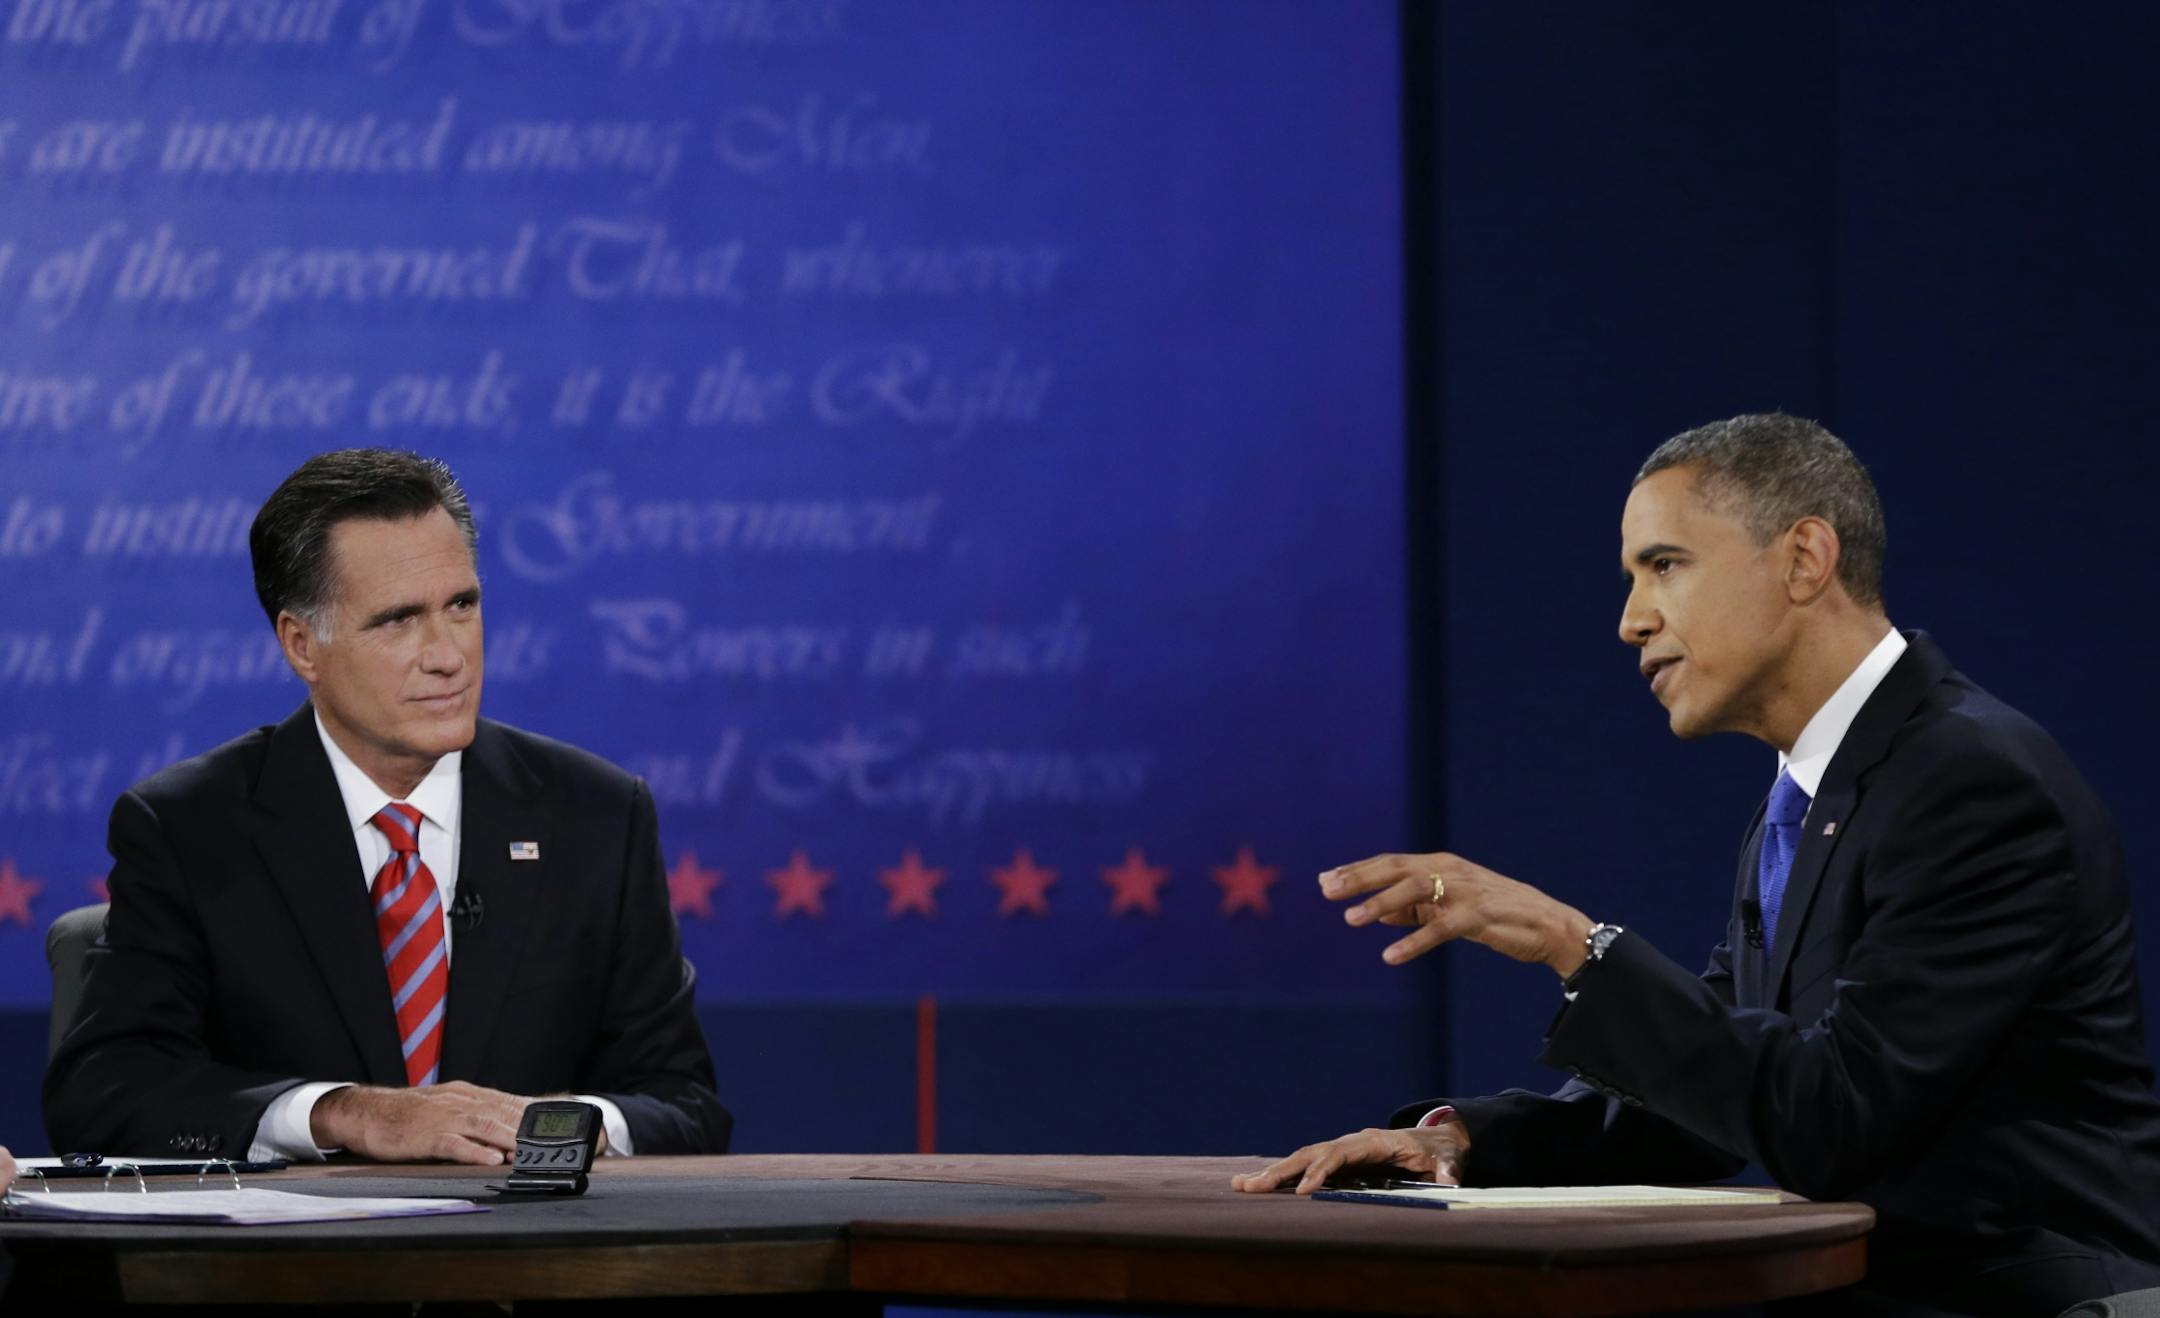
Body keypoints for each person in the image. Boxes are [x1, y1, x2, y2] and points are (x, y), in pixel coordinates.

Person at [1233, 414, 2160, 1316]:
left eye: (1665, 566)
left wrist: (1573, 944)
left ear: (1804, 559)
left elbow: (1834, 1120)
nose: (1633, 620)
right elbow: (1707, 1097)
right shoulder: (1807, 796)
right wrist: (1463, 1140)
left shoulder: (1972, 782)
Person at [45, 450, 730, 1164]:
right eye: (399, 620)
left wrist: (536, 1131)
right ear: (302, 645)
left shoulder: (597, 817)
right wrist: (342, 1113)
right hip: (292, 1269)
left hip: (528, 1261)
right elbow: (104, 1093)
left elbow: (684, 1105)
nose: (448, 655)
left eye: (461, 606)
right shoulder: (191, 828)